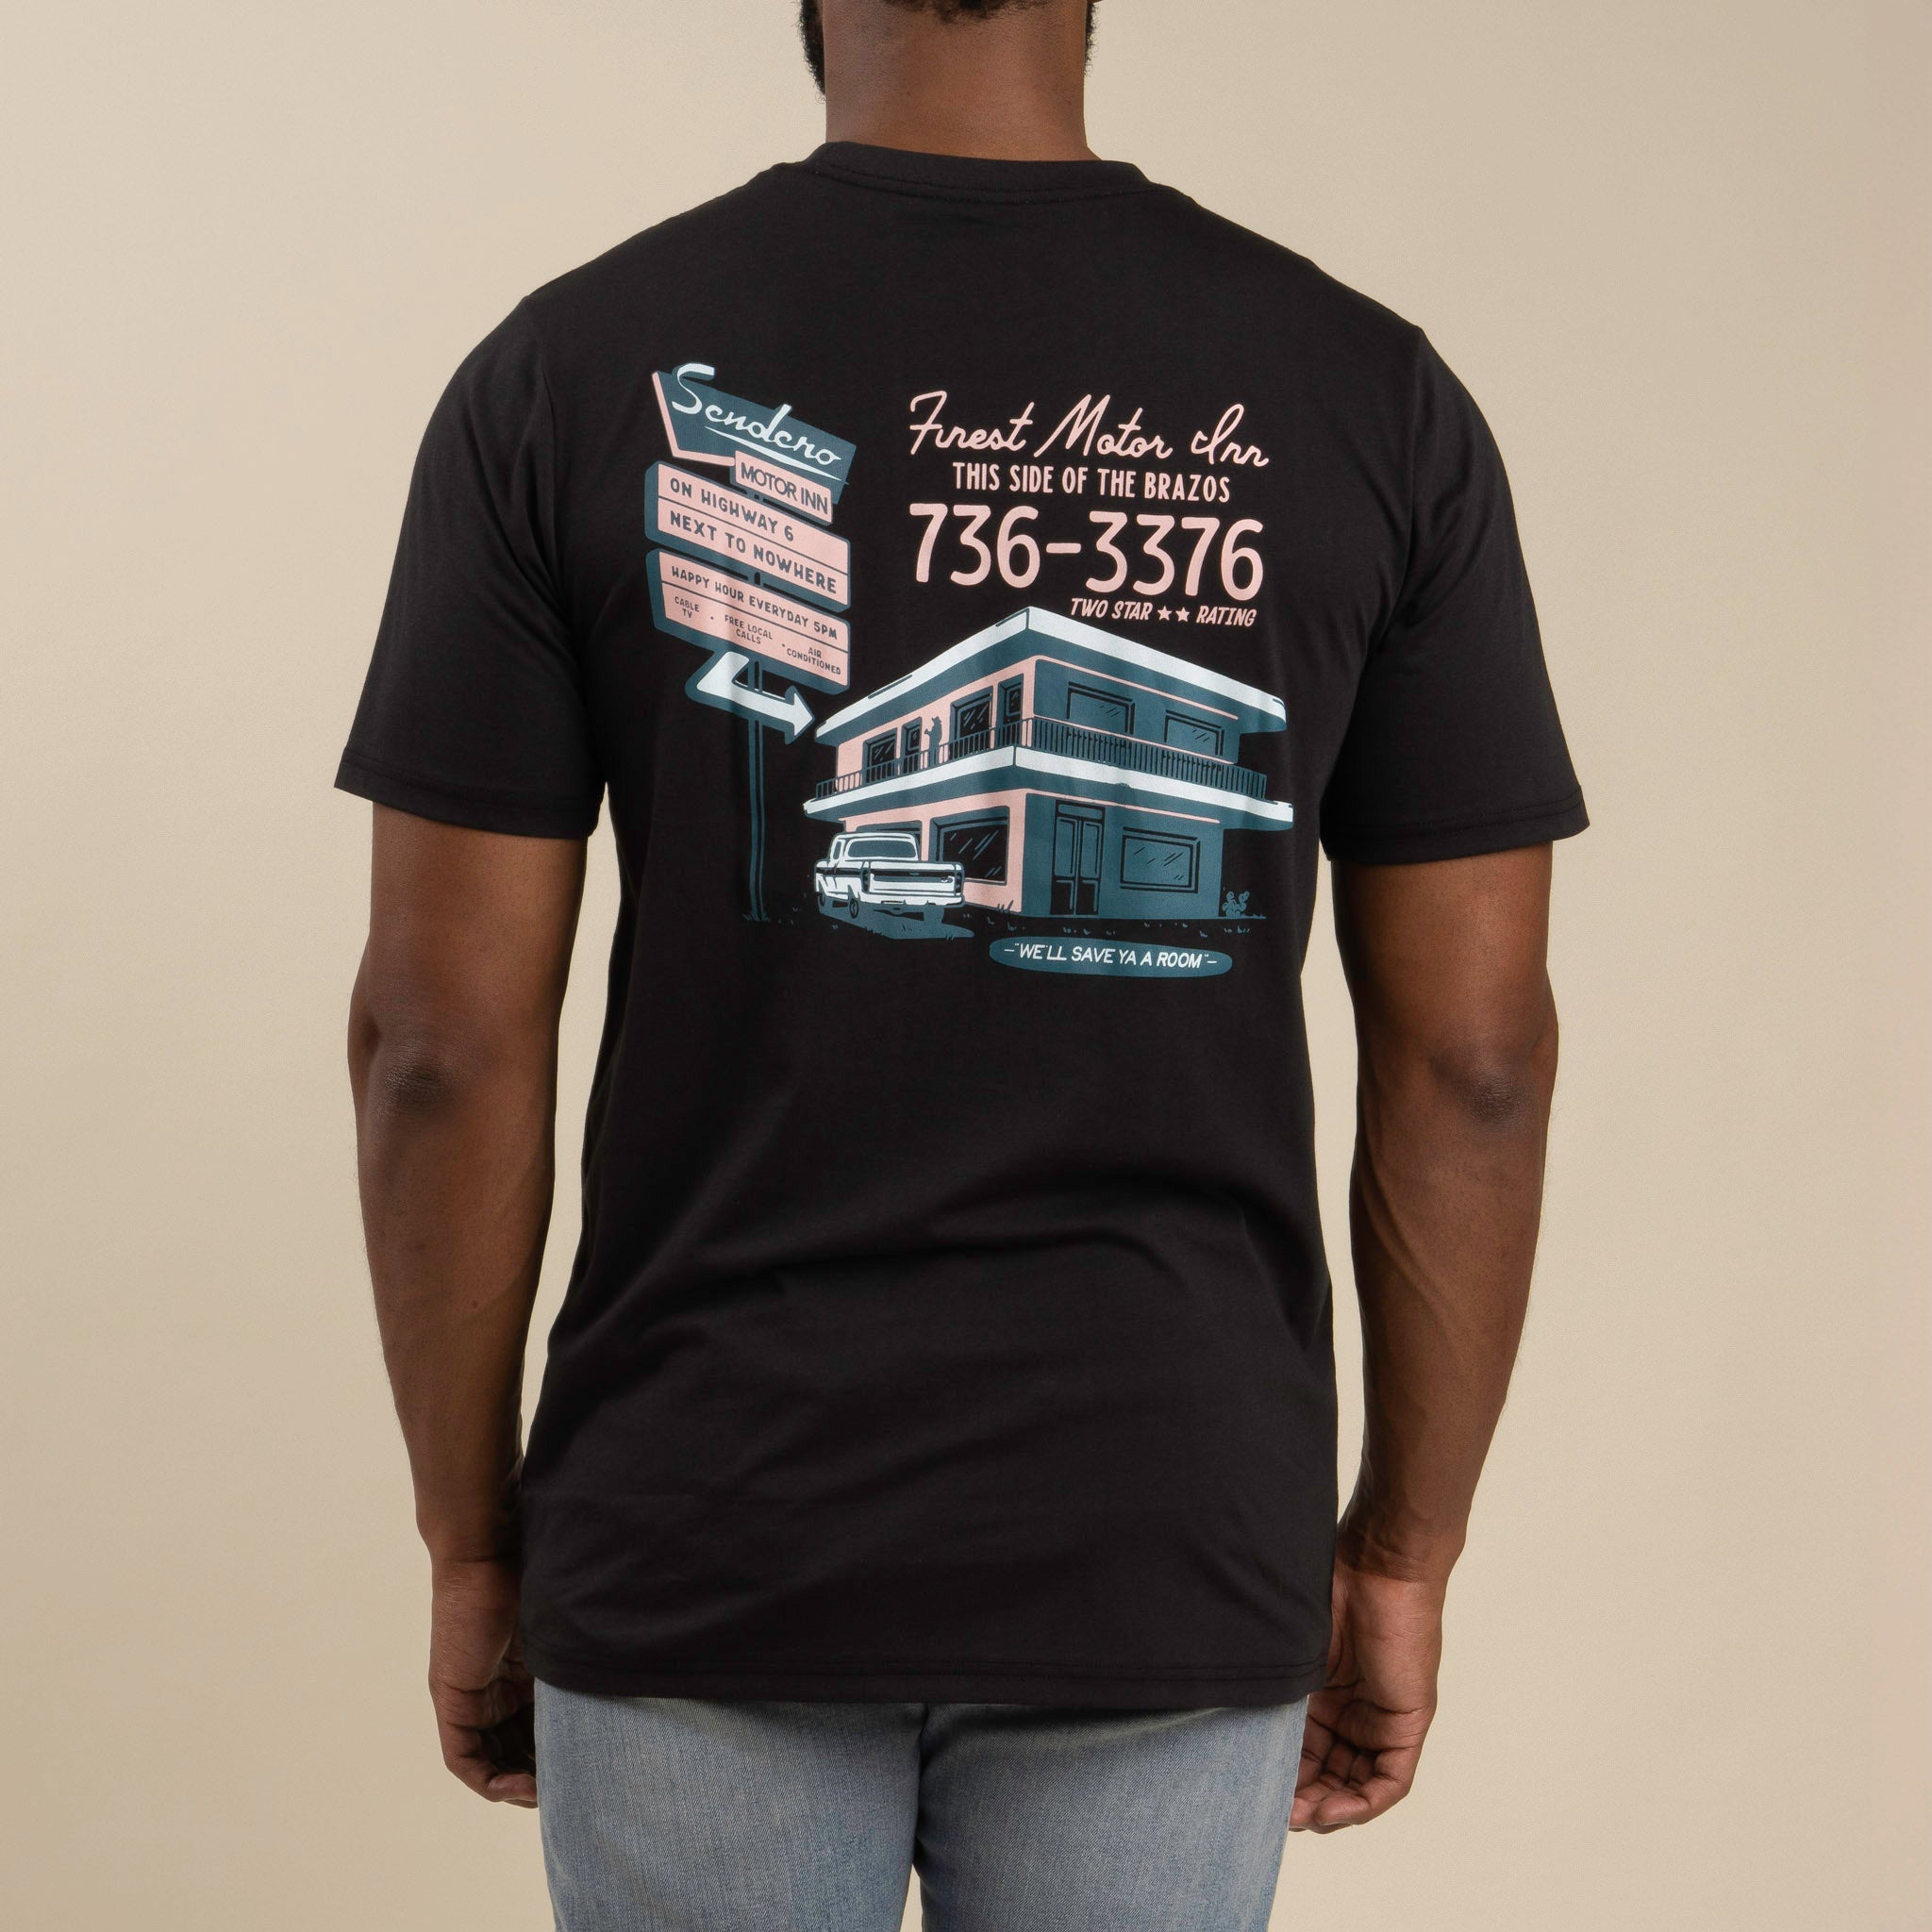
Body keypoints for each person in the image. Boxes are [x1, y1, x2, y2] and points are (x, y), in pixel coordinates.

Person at [340, 1, 1587, 1924]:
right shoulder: (1372, 395)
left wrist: (474, 1534)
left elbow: (437, 1043)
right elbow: (1476, 1060)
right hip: (1171, 1524)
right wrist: (1403, 1550)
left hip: (703, 1513)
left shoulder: (568, 370)